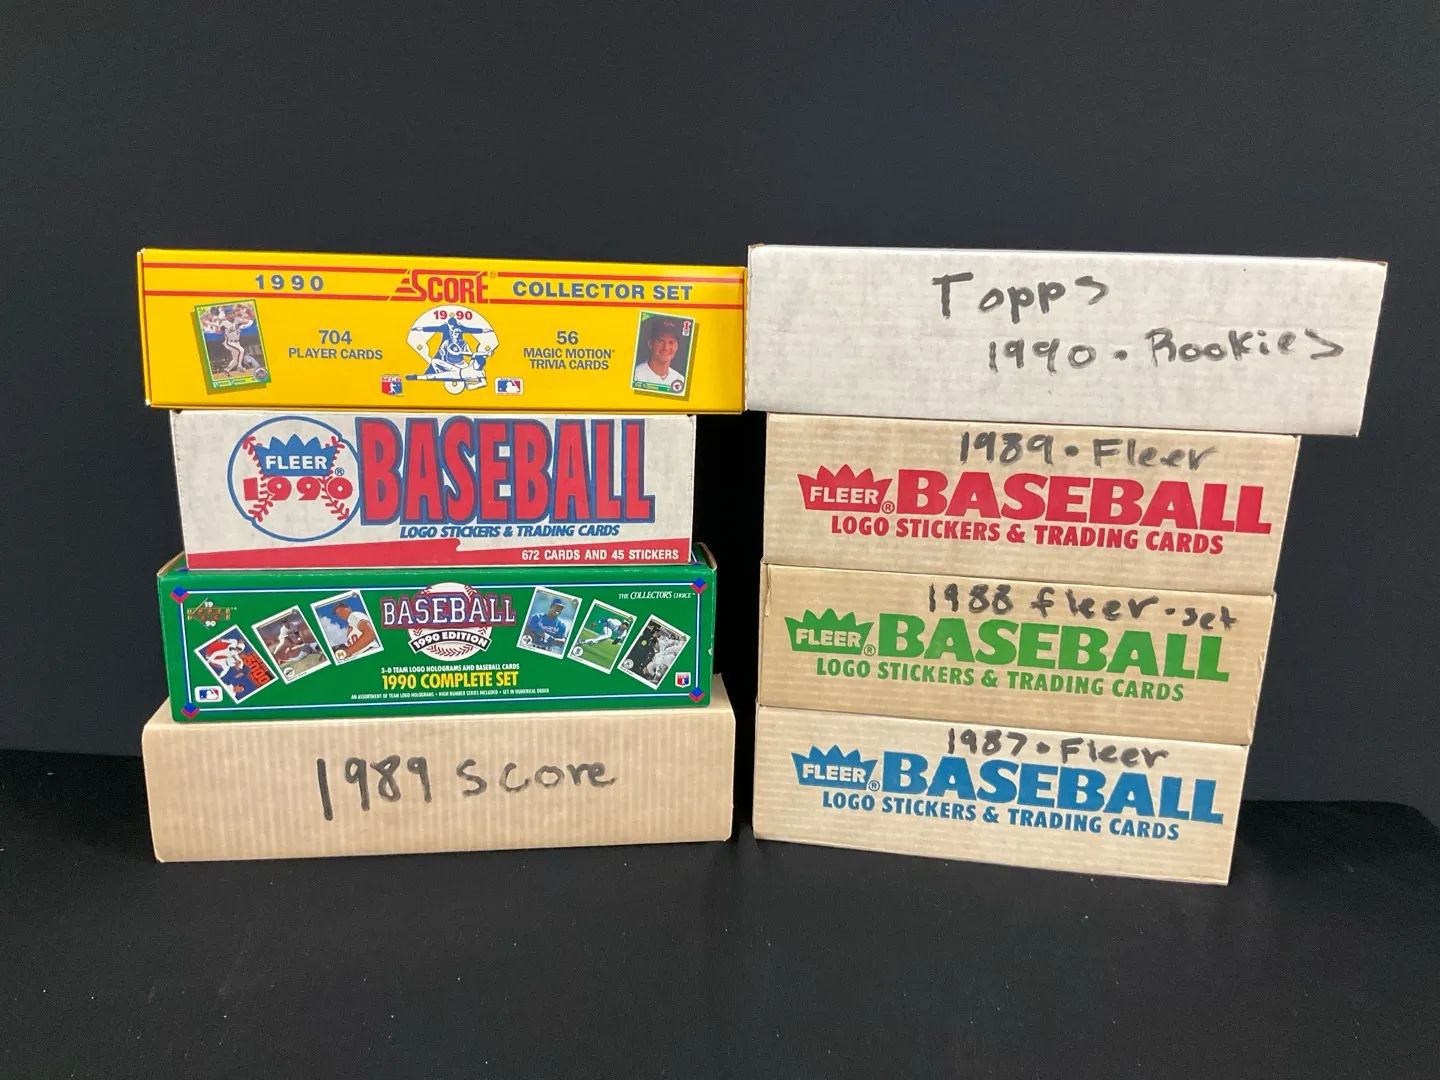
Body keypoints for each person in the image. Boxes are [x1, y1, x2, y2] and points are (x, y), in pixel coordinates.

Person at [632, 315, 686, 393]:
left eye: (671, 342)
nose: (666, 348)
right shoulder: (636, 376)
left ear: (677, 346)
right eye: (660, 341)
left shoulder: (680, 380)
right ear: (650, 344)